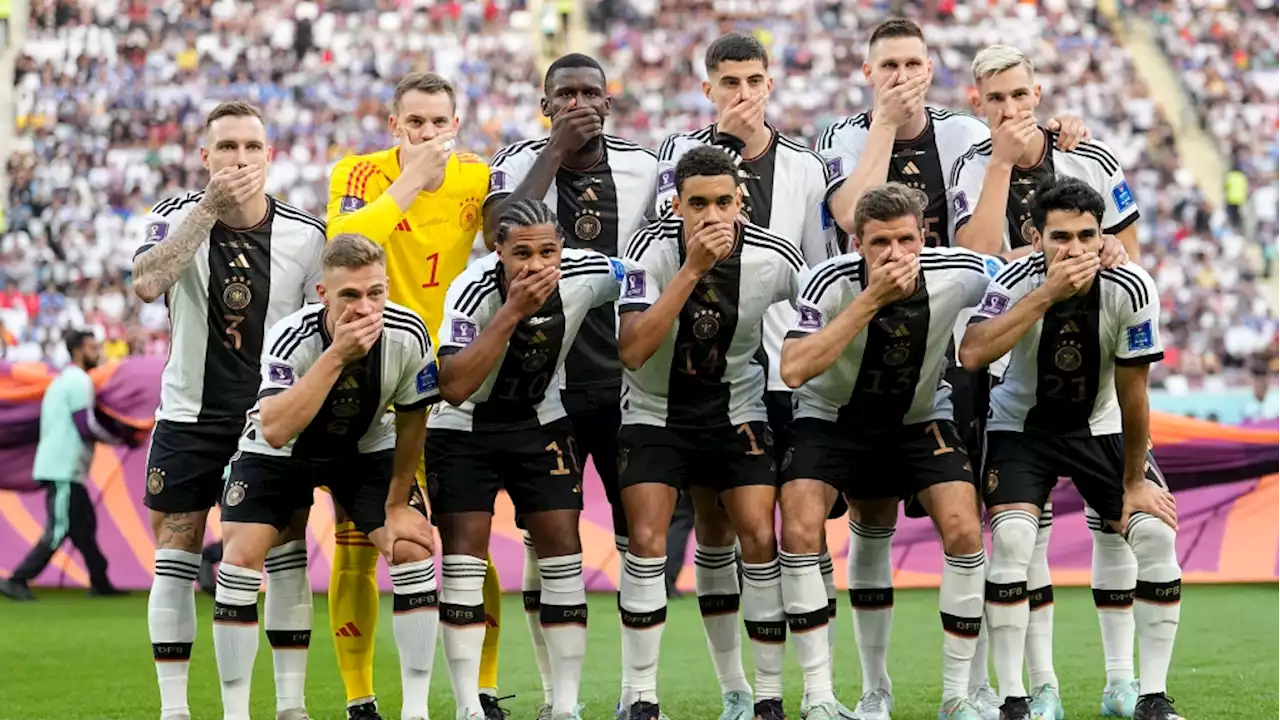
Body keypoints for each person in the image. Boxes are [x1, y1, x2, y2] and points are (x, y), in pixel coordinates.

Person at [816, 21, 1090, 716]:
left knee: (990, 521)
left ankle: (996, 685)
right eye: (889, 65)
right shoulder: (841, 137)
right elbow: (851, 216)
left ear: (933, 68)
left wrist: (1055, 134)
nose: (902, 74)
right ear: (867, 71)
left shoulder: (968, 133)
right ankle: (875, 689)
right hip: (873, 346)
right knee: (871, 519)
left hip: (963, 344)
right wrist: (884, 123)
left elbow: (998, 216)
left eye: (913, 62)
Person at [948, 45, 1145, 719]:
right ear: (978, 103)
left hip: (1086, 362)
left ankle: (1122, 682)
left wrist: (1111, 249)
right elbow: (971, 264)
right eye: (995, 99)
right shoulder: (971, 166)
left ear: (1038, 91)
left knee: (1114, 526)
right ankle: (1037, 686)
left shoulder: (1092, 155)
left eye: (1019, 96)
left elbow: (1131, 255)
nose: (1010, 110)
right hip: (1002, 366)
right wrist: (1002, 161)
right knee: (1016, 536)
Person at [654, 35, 847, 719]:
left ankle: (818, 691)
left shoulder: (806, 166)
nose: (743, 92)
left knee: (800, 527)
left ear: (772, 85)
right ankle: (740, 689)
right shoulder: (673, 162)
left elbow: (822, 276)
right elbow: (654, 246)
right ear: (707, 90)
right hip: (710, 372)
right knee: (716, 527)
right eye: (728, 81)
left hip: (787, 375)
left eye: (754, 79)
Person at [959, 177, 1183, 720]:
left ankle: (1148, 696)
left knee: (1153, 534)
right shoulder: (1012, 280)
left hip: (1102, 427)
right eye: (1061, 237)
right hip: (1022, 428)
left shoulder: (1131, 287)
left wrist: (1134, 483)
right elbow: (972, 353)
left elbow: (1134, 395)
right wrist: (1046, 295)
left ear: (1102, 234)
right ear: (1036, 236)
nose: (1075, 250)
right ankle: (1017, 698)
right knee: (1013, 538)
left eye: (1087, 236)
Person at [779, 183, 1004, 720]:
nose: (895, 254)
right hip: (830, 420)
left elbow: (1016, 272)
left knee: (967, 530)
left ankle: (959, 695)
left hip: (919, 418)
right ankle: (828, 695)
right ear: (857, 243)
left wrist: (1107, 250)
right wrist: (870, 300)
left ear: (924, 236)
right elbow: (792, 369)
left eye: (906, 240)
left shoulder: (959, 271)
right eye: (880, 242)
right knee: (801, 530)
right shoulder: (828, 281)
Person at [132, 100, 326, 720]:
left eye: (250, 147)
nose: (239, 159)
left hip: (268, 420)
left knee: (286, 546)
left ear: (270, 156)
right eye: (227, 147)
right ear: (204, 157)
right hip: (189, 414)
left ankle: (290, 705)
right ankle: (174, 710)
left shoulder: (305, 234)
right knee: (177, 548)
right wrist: (209, 209)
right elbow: (147, 281)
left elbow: (315, 334)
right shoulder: (174, 215)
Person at [483, 53, 659, 718]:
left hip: (627, 385)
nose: (580, 102)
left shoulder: (643, 167)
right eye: (566, 94)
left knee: (639, 536)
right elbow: (501, 233)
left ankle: (639, 695)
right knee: (544, 539)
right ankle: (560, 699)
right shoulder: (519, 161)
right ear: (545, 103)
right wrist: (555, 149)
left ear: (609, 103)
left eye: (592, 93)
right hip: (545, 387)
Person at [325, 71, 505, 720]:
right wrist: (410, 181)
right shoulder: (358, 173)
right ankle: (360, 698)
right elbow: (346, 247)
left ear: (455, 125)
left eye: (439, 123)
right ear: (395, 127)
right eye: (416, 124)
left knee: (464, 541)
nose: (428, 134)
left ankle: (479, 690)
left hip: (455, 384)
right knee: (357, 540)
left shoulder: (479, 179)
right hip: (374, 383)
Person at [212, 234, 441, 720]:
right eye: (350, 296)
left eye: (375, 293)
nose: (365, 307)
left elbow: (413, 423)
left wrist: (399, 504)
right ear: (323, 294)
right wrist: (337, 354)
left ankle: (416, 710)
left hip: (364, 449)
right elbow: (274, 429)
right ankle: (253, 712)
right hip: (283, 452)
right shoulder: (292, 336)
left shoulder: (409, 333)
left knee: (413, 548)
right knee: (240, 560)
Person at [615, 146, 806, 720]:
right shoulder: (646, 252)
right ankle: (642, 697)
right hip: (653, 411)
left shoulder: (775, 257)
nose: (711, 215)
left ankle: (761, 696)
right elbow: (632, 349)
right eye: (697, 203)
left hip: (736, 411)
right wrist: (693, 268)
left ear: (741, 203)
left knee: (756, 538)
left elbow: (824, 306)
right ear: (676, 205)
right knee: (647, 543)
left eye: (723, 201)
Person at [430, 198, 631, 720]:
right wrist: (513, 311)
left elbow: (640, 275)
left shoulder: (587, 272)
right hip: (464, 429)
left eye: (548, 251)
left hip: (539, 422)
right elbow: (453, 386)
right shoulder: (470, 290)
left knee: (564, 552)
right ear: (497, 250)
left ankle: (563, 706)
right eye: (521, 253)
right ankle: (469, 706)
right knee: (464, 562)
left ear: (562, 247)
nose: (536, 265)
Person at [0, 330, 137, 602]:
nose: (97, 352)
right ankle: (17, 579)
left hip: (63, 467)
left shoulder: (63, 380)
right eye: (92, 347)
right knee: (60, 526)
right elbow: (86, 425)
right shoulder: (78, 381)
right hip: (63, 468)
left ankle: (100, 580)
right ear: (78, 351)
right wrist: (122, 438)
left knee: (84, 526)